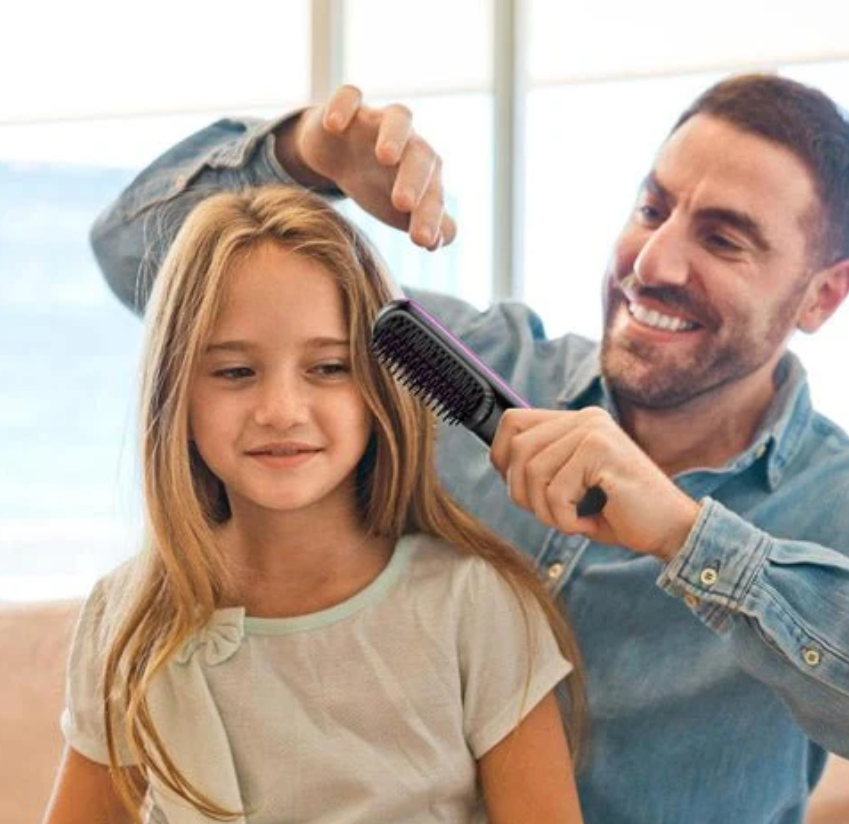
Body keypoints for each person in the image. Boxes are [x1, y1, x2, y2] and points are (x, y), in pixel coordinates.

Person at [89, 74, 849, 823]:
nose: (653, 263)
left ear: (822, 295)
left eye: (723, 239)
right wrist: (305, 155)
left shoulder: (832, 501)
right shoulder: (464, 366)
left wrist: (686, 537)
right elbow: (142, 259)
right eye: (651, 209)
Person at [43, 185, 586, 823]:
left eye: (328, 368)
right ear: (176, 395)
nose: (280, 411)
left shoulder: (474, 606)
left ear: (383, 387)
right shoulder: (128, 617)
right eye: (235, 372)